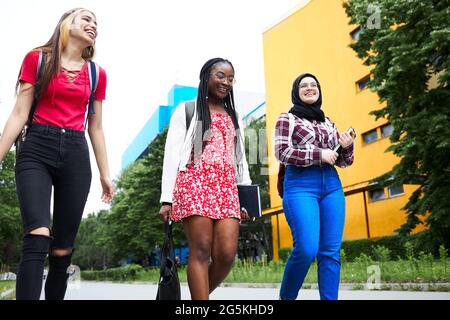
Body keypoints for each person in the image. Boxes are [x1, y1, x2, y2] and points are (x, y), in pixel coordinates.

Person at [0, 8, 114, 300]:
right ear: (66, 24)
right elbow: (18, 114)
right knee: (37, 235)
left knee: (63, 249)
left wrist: (105, 174)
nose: (93, 25)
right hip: (36, 148)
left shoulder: (96, 73)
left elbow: (96, 128)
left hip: (76, 154)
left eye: (96, 23)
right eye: (86, 19)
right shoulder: (37, 59)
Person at [159, 58, 252, 300]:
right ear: (206, 77)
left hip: (226, 188)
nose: (226, 82)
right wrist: (166, 199)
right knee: (200, 250)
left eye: (231, 79)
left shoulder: (234, 115)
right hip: (194, 183)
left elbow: (239, 157)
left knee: (227, 253)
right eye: (221, 76)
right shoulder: (188, 110)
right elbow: (171, 155)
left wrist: (247, 199)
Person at [274, 73, 355, 300]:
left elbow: (343, 162)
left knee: (330, 252)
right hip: (300, 185)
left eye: (314, 85)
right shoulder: (287, 119)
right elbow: (282, 152)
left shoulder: (328, 122)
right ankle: (286, 298)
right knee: (307, 249)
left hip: (331, 185)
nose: (310, 88)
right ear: (296, 92)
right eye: (304, 86)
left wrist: (346, 147)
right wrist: (320, 153)